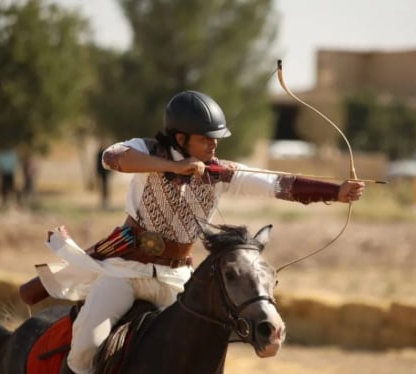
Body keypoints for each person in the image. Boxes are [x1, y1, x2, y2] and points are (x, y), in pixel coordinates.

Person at [37, 90, 365, 374]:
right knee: (86, 347)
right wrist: (172, 167)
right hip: (123, 271)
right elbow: (113, 157)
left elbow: (278, 183)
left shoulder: (220, 172)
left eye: (216, 138)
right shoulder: (147, 150)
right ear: (180, 138)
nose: (214, 144)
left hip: (176, 278)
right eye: (206, 138)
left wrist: (335, 191)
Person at [96, 145, 110, 209]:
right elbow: (98, 165)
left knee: (105, 187)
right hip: (102, 173)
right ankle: (103, 200)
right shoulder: (100, 154)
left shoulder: (105, 153)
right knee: (102, 187)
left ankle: (105, 200)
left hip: (105, 174)